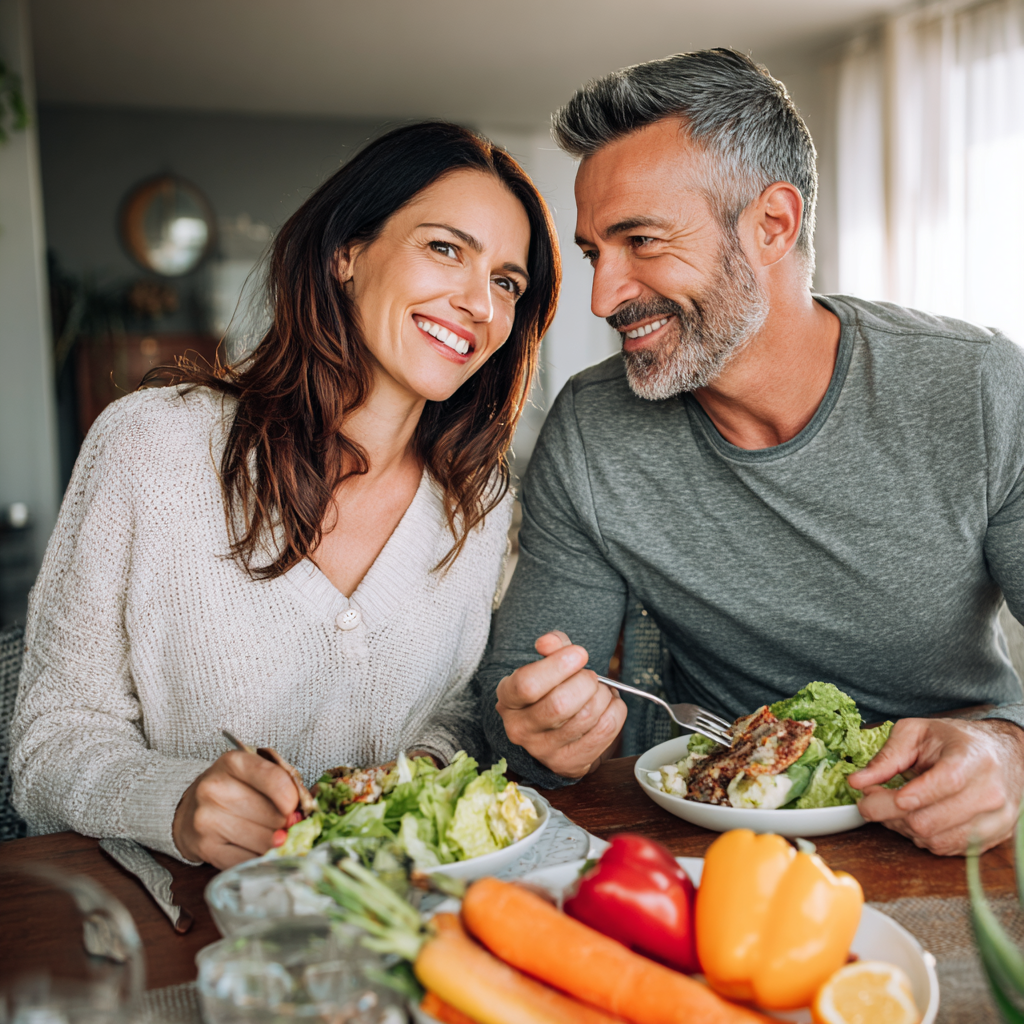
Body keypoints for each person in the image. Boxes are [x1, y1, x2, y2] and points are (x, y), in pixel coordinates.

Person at [480, 49, 1024, 857]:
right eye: (597, 252)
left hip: (953, 839)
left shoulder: (979, 388)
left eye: (643, 240)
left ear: (773, 224)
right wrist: (541, 732)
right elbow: (517, 705)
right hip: (709, 842)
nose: (603, 297)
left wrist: (1011, 752)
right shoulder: (594, 429)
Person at [11, 121, 559, 869]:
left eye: (507, 282)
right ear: (347, 253)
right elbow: (48, 745)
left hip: (408, 920)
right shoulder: (150, 447)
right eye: (444, 248)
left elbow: (452, 711)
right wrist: (175, 804)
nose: (479, 302)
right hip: (189, 930)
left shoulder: (479, 498)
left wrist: (423, 768)